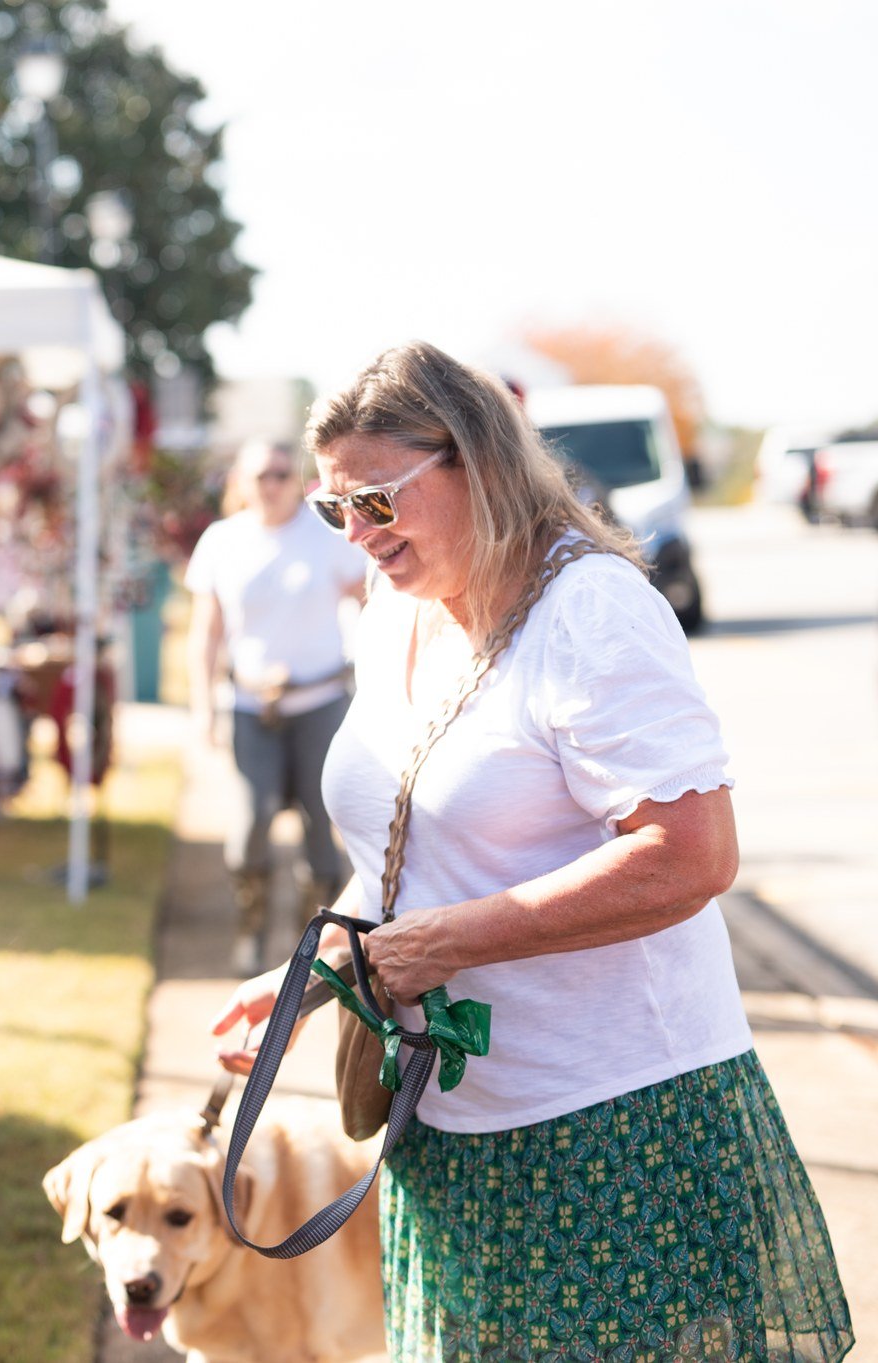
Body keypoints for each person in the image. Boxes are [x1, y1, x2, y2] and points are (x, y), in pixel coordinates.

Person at [211, 343, 851, 1362]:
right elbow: (402, 847)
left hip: (611, 1123)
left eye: (376, 499)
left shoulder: (589, 612)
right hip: (449, 1120)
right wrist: (315, 973)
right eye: (338, 510)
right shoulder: (391, 612)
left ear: (474, 459)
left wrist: (435, 945)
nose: (357, 535)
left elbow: (688, 855)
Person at [186, 440, 366, 974]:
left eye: (283, 473)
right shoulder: (223, 541)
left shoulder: (327, 536)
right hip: (251, 705)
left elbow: (371, 601)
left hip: (320, 701)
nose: (272, 484)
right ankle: (251, 925)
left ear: (297, 479)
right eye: (262, 474)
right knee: (252, 821)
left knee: (321, 825)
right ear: (242, 482)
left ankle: (309, 945)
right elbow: (206, 631)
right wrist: (202, 708)